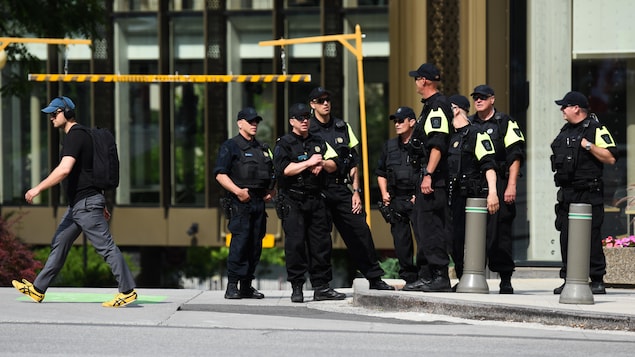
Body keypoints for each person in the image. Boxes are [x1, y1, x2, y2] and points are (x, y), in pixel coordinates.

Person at [12, 96, 137, 307]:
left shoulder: (75, 136)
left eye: (55, 113)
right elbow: (89, 173)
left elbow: (64, 169)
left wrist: (38, 188)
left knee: (105, 247)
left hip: (86, 205)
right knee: (60, 243)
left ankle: (127, 291)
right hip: (81, 205)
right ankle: (38, 289)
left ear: (67, 113)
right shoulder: (81, 135)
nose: (51, 117)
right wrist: (102, 202)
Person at [308, 86, 395, 291]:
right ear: (313, 105)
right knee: (320, 239)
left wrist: (356, 191)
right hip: (318, 190)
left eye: (327, 99)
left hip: (341, 188)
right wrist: (336, 163)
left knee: (360, 231)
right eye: (320, 100)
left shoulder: (342, 127)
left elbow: (354, 162)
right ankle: (322, 286)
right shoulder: (308, 130)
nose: (326, 103)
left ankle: (374, 278)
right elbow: (318, 163)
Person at [274, 103, 346, 303]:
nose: (304, 121)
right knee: (295, 244)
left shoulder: (318, 141)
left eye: (306, 117)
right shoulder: (284, 143)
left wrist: (321, 163)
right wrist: (308, 163)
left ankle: (321, 286)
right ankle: (297, 286)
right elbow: (284, 170)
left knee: (321, 243)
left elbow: (335, 164)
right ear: (292, 122)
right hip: (293, 199)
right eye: (300, 118)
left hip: (316, 198)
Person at [550, 91, 617, 295]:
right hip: (567, 192)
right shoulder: (565, 131)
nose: (562, 110)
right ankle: (569, 278)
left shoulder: (595, 128)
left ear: (576, 108)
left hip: (588, 192)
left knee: (591, 236)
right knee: (566, 237)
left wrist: (588, 145)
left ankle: (597, 279)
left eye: (565, 106)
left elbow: (610, 157)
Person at [468, 84, 526, 294]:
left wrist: (511, 185)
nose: (478, 100)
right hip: (475, 184)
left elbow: (515, 154)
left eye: (483, 97)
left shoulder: (504, 122)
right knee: (473, 232)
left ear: (492, 99)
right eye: (476, 97)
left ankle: (505, 278)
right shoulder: (469, 123)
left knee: (499, 232)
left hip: (500, 182)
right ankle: (474, 275)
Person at [214, 107, 275, 299]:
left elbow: (272, 173)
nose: (254, 124)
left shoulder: (262, 148)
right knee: (240, 244)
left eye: (256, 121)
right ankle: (232, 285)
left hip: (258, 202)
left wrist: (270, 191)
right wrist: (238, 192)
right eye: (250, 121)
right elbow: (220, 174)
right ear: (240, 123)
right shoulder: (230, 146)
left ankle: (247, 285)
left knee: (255, 245)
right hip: (240, 203)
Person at [402, 63, 453, 292]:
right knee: (423, 227)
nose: (415, 82)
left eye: (416, 78)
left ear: (424, 81)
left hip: (434, 178)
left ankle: (440, 276)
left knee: (432, 227)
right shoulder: (429, 107)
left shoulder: (438, 106)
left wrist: (429, 175)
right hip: (426, 176)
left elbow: (438, 144)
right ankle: (427, 274)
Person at [446, 94, 499, 285]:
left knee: (476, 240)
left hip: (473, 197)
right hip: (453, 198)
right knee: (453, 240)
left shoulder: (477, 134)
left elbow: (489, 165)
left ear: (457, 109)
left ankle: (474, 276)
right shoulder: (448, 136)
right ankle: (462, 277)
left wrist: (492, 192)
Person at [376, 106, 420, 284]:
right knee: (401, 241)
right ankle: (408, 276)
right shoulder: (390, 146)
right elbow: (380, 172)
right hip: (396, 199)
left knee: (423, 239)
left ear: (412, 122)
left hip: (417, 199)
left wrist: (419, 194)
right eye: (395, 121)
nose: (397, 124)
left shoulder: (420, 145)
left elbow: (427, 171)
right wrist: (384, 193)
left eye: (401, 120)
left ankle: (425, 275)